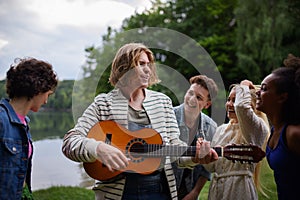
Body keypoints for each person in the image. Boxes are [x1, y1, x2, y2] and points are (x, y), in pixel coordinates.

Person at [62, 42, 218, 200]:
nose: (148, 69)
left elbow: (175, 150)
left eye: (149, 64)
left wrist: (195, 158)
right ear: (125, 67)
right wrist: (99, 148)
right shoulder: (103, 104)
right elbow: (70, 141)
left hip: (160, 191)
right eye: (141, 64)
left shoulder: (163, 102)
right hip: (116, 194)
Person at [0, 57, 58, 199]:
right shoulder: (1, 120)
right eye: (47, 94)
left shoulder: (24, 122)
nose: (46, 100)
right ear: (38, 89)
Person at [202, 80, 270, 200]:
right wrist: (204, 156)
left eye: (235, 100)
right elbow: (212, 167)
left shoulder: (257, 128)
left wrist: (244, 85)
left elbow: (241, 107)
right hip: (217, 190)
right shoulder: (221, 130)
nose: (229, 104)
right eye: (229, 99)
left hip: (239, 190)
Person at [256, 54, 300, 200]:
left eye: (264, 89)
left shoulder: (294, 134)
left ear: (282, 97)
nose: (257, 92)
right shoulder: (276, 130)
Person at [172, 75, 218, 200]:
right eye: (190, 93)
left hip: (189, 189)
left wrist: (195, 193)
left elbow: (206, 169)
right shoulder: (168, 116)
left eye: (198, 97)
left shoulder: (211, 127)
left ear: (207, 104)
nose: (191, 99)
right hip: (164, 187)